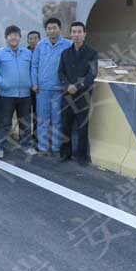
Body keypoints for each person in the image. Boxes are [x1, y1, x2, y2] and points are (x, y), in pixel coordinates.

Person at [0, 25, 36, 158]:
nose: (13, 38)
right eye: (11, 35)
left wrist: (31, 83)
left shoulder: (27, 53)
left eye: (16, 35)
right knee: (4, 122)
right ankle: (0, 147)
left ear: (20, 38)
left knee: (25, 122)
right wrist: (2, 83)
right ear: (6, 38)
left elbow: (33, 69)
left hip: (25, 94)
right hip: (6, 94)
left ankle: (26, 145)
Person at [57, 21, 99, 166]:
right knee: (65, 125)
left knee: (82, 126)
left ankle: (81, 156)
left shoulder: (92, 53)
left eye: (79, 32)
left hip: (83, 95)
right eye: (74, 32)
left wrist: (78, 86)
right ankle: (65, 153)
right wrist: (67, 85)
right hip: (67, 95)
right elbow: (61, 72)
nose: (76, 34)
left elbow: (92, 74)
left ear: (84, 34)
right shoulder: (65, 53)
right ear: (70, 34)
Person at [31, 18, 72, 156]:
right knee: (43, 120)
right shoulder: (40, 45)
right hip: (42, 89)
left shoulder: (68, 44)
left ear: (59, 29)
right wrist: (34, 83)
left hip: (60, 90)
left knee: (57, 120)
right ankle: (43, 147)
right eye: (49, 28)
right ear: (46, 31)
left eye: (54, 28)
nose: (52, 31)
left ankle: (56, 147)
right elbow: (34, 65)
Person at [26, 30, 41, 143]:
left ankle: (36, 138)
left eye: (35, 38)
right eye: (30, 38)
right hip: (26, 88)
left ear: (39, 40)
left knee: (37, 114)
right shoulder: (24, 53)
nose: (33, 41)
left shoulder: (43, 52)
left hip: (38, 88)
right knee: (25, 114)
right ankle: (25, 137)